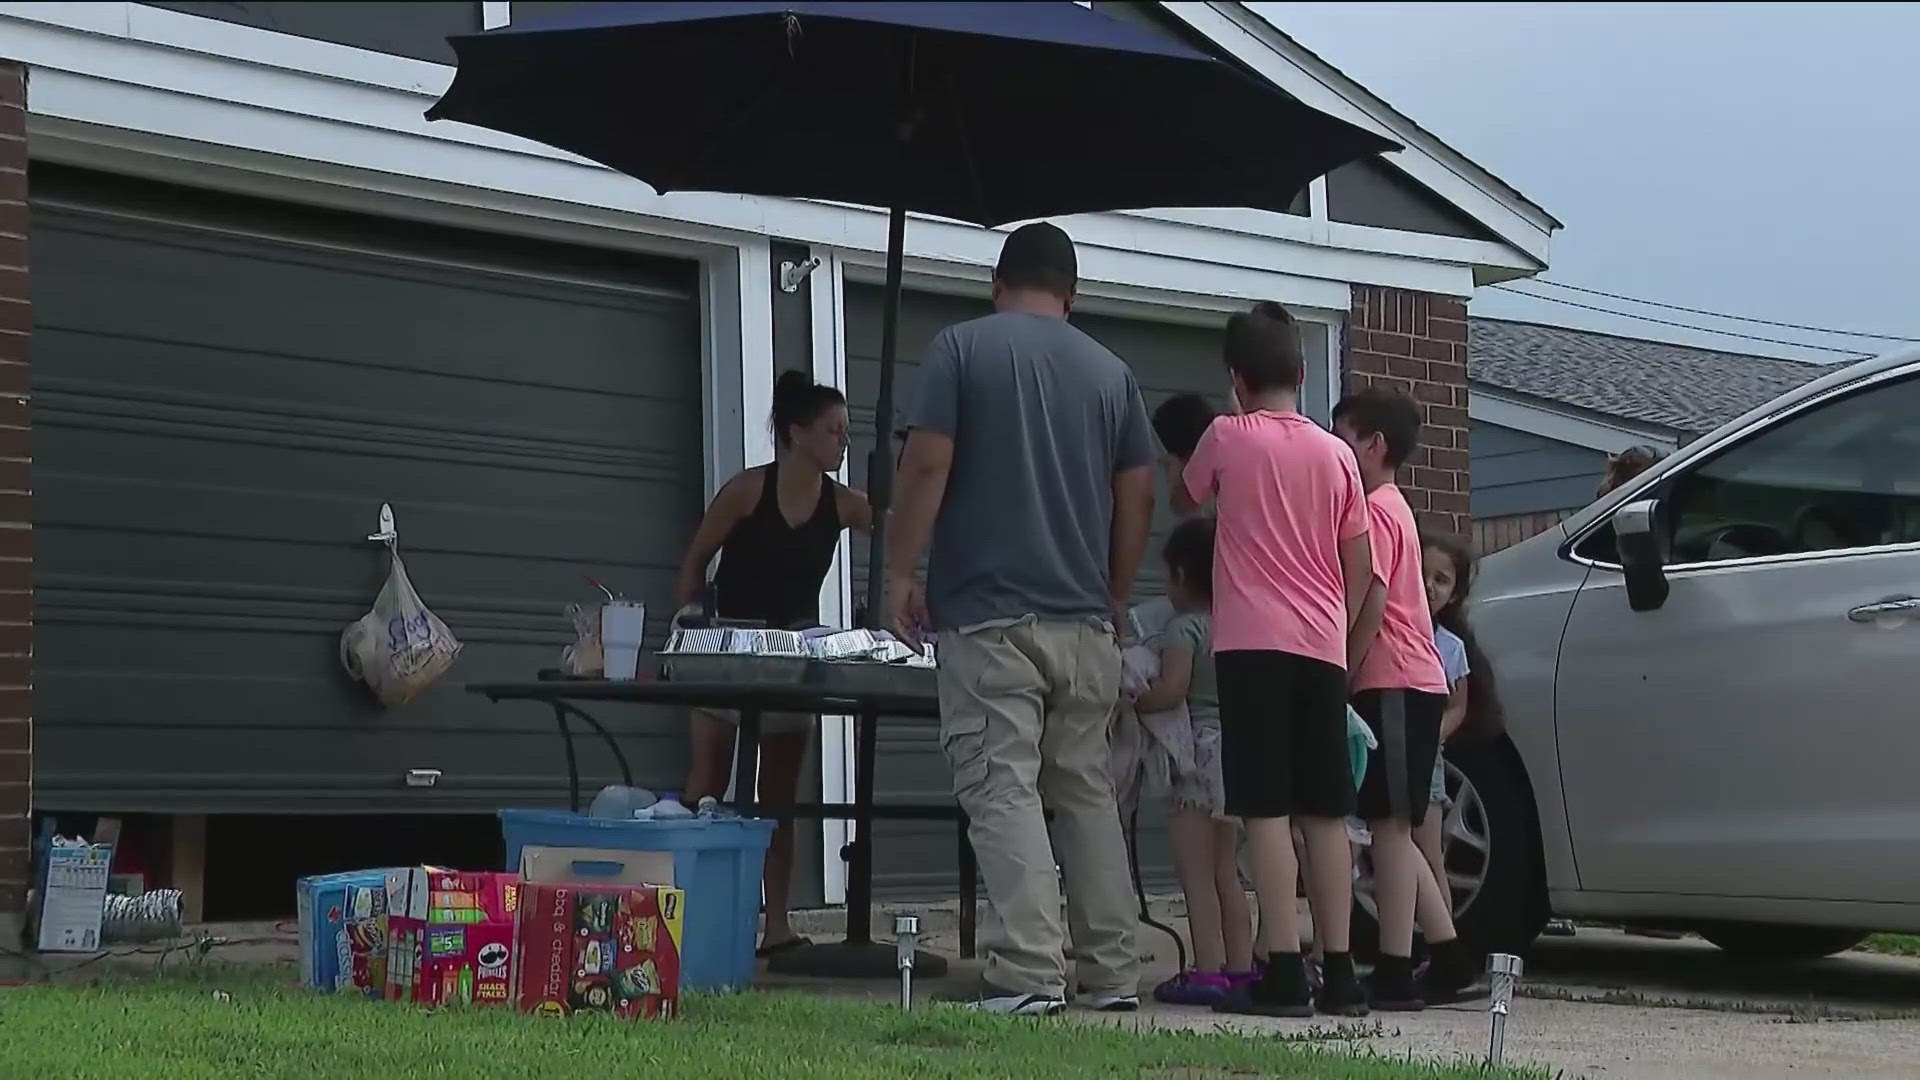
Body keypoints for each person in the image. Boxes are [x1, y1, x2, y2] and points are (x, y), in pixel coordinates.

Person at [885, 222, 1156, 1016]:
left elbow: (928, 462)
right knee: (1084, 794)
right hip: (1085, 625)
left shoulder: (961, 349)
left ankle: (1027, 973)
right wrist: (1113, 590)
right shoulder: (1112, 373)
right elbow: (1138, 491)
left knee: (1002, 785)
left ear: (997, 282)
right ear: (1070, 295)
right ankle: (1111, 973)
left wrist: (902, 572)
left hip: (989, 618)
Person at [1173, 301, 1374, 1018]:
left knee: (1264, 807)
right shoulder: (1337, 454)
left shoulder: (1228, 435)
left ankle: (1284, 968)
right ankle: (1342, 970)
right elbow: (1361, 557)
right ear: (1302, 371)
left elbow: (1184, 495)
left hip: (1251, 642)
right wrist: (1337, 627)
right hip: (1321, 645)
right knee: (1324, 810)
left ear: (1236, 377)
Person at [672, 369, 871, 957]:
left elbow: (895, 519)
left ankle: (775, 922)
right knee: (706, 785)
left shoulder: (840, 503)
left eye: (847, 432)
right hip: (727, 653)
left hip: (790, 659)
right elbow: (697, 557)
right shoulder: (747, 491)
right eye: (834, 430)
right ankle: (685, 912)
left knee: (777, 797)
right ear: (796, 432)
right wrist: (686, 618)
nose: (842, 442)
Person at [1332, 386, 1483, 1009]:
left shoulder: (1377, 511)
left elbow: (1369, 593)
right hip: (1413, 684)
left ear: (1375, 445)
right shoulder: (1396, 508)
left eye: (1344, 441)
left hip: (1393, 679)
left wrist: (1342, 665)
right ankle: (1447, 956)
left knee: (1390, 830)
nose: (1338, 455)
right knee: (1396, 827)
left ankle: (1397, 966)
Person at [1130, 518, 1256, 1006]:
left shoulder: (1184, 629)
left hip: (1195, 761)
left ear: (1181, 575)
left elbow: (1171, 691)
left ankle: (1206, 969)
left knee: (1196, 874)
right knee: (1228, 871)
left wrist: (1132, 701)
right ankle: (1241, 969)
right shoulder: (1239, 623)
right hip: (1234, 756)